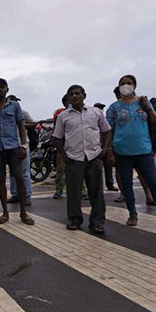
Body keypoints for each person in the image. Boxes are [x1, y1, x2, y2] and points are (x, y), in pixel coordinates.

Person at [106, 75, 156, 230]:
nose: (126, 86)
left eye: (129, 83)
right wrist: (110, 151)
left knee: (154, 183)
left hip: (144, 150)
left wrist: (147, 107)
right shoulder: (113, 107)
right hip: (122, 151)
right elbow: (109, 130)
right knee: (126, 184)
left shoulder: (143, 103)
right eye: (122, 83)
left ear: (135, 85)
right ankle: (132, 214)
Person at [53, 85, 111, 233]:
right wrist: (65, 157)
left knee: (96, 192)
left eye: (77, 93)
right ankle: (74, 219)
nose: (74, 96)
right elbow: (57, 138)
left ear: (84, 96)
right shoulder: (63, 116)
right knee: (73, 192)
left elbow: (106, 130)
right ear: (67, 98)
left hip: (93, 157)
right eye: (71, 94)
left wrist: (104, 149)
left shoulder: (96, 112)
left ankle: (97, 222)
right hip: (73, 158)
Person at [0, 78, 35, 226]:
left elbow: (21, 126)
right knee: (0, 180)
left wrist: (23, 146)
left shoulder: (15, 106)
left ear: (7, 89)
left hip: (13, 147)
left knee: (19, 178)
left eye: (2, 87)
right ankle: (5, 213)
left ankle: (23, 213)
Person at [8, 97, 34, 206]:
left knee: (25, 173)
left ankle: (26, 195)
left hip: (23, 145)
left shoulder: (23, 113)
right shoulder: (5, 114)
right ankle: (15, 194)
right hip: (10, 146)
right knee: (13, 173)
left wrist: (21, 124)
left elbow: (33, 124)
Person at [94, 103, 118, 191]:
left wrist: (108, 147)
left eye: (102, 108)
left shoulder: (105, 120)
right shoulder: (93, 119)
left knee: (108, 167)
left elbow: (109, 133)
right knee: (96, 169)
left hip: (106, 147)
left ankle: (110, 184)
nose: (101, 110)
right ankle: (97, 186)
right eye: (99, 108)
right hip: (95, 148)